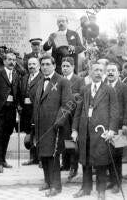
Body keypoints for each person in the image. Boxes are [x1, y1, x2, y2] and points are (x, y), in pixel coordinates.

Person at [72, 61, 119, 200]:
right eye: (95, 70)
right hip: (84, 131)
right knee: (85, 160)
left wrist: (112, 129)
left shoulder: (109, 90)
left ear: (103, 73)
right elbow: (78, 111)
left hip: (101, 132)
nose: (98, 73)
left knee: (101, 161)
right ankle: (85, 189)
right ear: (90, 73)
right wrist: (74, 129)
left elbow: (114, 112)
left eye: (100, 70)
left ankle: (101, 191)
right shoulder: (84, 89)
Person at [33, 55, 72, 197]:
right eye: (42, 64)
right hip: (40, 125)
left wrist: (59, 121)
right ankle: (47, 182)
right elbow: (37, 104)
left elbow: (67, 104)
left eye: (47, 64)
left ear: (54, 66)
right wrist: (34, 122)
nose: (44, 67)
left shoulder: (62, 81)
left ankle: (56, 186)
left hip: (55, 126)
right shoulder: (40, 81)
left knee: (53, 156)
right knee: (43, 154)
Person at [105, 61, 127, 194]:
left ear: (118, 73)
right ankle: (111, 180)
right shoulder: (103, 87)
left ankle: (117, 183)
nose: (110, 73)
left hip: (119, 127)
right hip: (105, 127)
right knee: (108, 155)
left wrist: (125, 124)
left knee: (117, 156)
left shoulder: (124, 87)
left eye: (113, 70)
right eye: (108, 70)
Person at [60, 57, 84, 180]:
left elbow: (81, 97)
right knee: (63, 139)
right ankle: (65, 164)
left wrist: (73, 100)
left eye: (67, 66)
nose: (64, 68)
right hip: (62, 115)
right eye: (63, 66)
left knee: (72, 141)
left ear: (73, 67)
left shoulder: (79, 80)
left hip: (74, 116)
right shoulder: (58, 79)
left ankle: (73, 167)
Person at [20, 57, 43, 165]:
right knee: (30, 134)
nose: (31, 66)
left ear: (38, 65)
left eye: (34, 64)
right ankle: (32, 158)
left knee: (39, 134)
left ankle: (41, 159)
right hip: (26, 111)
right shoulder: (25, 77)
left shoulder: (42, 77)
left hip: (38, 110)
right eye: (29, 64)